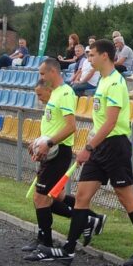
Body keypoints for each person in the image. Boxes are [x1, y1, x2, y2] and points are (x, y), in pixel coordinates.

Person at [28, 39, 133, 266]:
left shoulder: (116, 83)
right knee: (81, 197)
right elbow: (101, 122)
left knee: (126, 198)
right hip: (99, 146)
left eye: (92, 56)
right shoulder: (104, 81)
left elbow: (111, 122)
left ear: (104, 56)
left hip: (115, 146)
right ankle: (68, 250)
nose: (88, 60)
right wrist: (92, 142)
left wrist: (88, 148)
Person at [21, 61, 79, 255]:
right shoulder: (54, 94)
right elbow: (52, 127)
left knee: (41, 197)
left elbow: (71, 127)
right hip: (51, 151)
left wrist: (49, 143)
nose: (41, 78)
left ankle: (46, 243)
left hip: (59, 152)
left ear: (53, 71)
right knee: (44, 197)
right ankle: (43, 240)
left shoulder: (65, 93)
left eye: (43, 74)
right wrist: (38, 142)